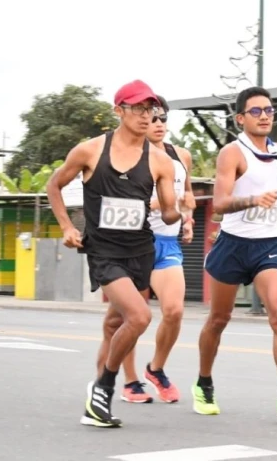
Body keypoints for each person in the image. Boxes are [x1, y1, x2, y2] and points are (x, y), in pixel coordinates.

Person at [45, 80, 193, 428]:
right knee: (140, 317)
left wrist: (182, 211)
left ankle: (98, 384)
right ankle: (104, 389)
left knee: (116, 322)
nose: (146, 116)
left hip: (141, 250)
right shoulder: (90, 151)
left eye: (151, 110)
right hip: (103, 251)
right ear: (119, 111)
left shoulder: (160, 161)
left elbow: (168, 213)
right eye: (139, 109)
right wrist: (67, 227)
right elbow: (54, 185)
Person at [193, 86, 277, 418]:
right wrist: (252, 200)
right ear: (241, 118)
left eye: (269, 110)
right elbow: (219, 203)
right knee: (218, 319)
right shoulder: (233, 153)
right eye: (256, 111)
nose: (264, 116)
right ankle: (203, 383)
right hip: (232, 245)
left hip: (268, 246)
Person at [119, 94, 196, 404]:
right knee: (132, 318)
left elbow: (186, 194)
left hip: (166, 243)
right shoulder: (127, 158)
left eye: (163, 118)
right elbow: (125, 203)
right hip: (135, 242)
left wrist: (187, 219)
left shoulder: (182, 156)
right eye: (152, 118)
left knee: (174, 311)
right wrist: (167, 204)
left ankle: (156, 369)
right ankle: (129, 381)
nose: (159, 123)